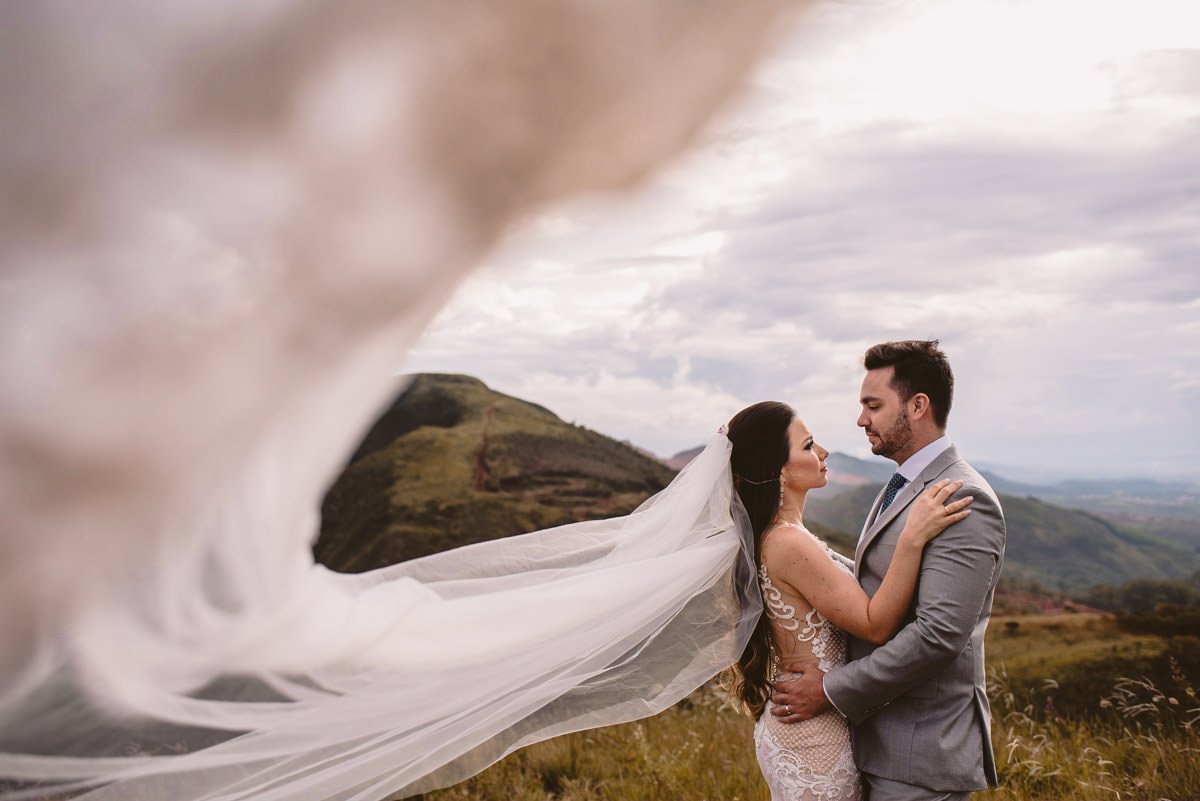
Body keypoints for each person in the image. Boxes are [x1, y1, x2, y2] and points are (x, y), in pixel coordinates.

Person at [770, 340, 1007, 801]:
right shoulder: (902, 484)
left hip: (920, 752)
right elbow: (870, 576)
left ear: (918, 406)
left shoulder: (963, 499)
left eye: (873, 405)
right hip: (879, 741)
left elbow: (937, 636)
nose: (861, 420)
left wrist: (830, 690)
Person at [723, 400, 973, 801]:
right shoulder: (786, 541)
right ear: (779, 469)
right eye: (807, 446)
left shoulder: (785, 534)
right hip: (813, 740)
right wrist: (912, 536)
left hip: (816, 723)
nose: (822, 453)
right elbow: (875, 624)